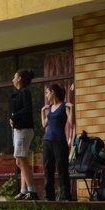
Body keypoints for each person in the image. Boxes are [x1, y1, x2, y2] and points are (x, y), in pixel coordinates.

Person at [41, 83, 74, 201]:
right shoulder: (49, 108)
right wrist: (42, 111)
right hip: (47, 141)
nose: (46, 95)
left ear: (52, 92)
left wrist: (71, 108)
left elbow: (71, 122)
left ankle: (65, 196)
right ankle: (49, 196)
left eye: (47, 93)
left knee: (62, 168)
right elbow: (44, 124)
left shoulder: (64, 106)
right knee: (47, 168)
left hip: (59, 141)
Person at [9, 69, 37, 200]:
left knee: (22, 159)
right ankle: (23, 190)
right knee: (19, 161)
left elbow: (27, 109)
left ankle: (32, 191)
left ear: (19, 78)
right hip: (18, 130)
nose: (13, 79)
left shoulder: (25, 92)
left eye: (14, 77)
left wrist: (13, 117)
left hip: (24, 130)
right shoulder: (18, 93)